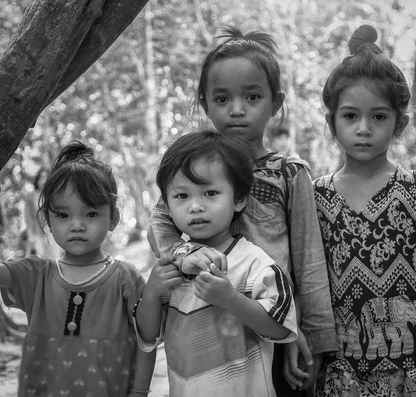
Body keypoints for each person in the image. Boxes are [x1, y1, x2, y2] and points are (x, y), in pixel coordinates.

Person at [147, 25, 337, 395]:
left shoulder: (289, 173)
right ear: (205, 104)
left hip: (273, 319)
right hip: (207, 322)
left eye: (252, 97)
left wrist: (312, 337)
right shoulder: (191, 169)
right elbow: (161, 225)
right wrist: (187, 254)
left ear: (275, 103)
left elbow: (309, 261)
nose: (237, 110)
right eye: (222, 99)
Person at [313, 25, 416, 396]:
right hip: (341, 370)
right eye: (350, 116)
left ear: (399, 123)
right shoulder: (315, 198)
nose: (363, 129)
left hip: (414, 367)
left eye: (378, 117)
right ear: (332, 122)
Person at [0, 140, 156, 397]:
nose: (77, 225)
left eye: (90, 214)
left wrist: (139, 392)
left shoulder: (126, 279)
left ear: (112, 218)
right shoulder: (36, 275)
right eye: (63, 215)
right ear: (48, 220)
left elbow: (146, 341)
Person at [134, 130, 299, 397]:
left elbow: (282, 328)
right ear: (166, 203)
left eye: (210, 193)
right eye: (182, 196)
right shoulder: (170, 267)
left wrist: (231, 300)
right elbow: (148, 335)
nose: (196, 206)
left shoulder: (254, 264)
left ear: (239, 199)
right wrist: (152, 292)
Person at [23, 166, 62, 259]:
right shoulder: (30, 196)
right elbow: (27, 218)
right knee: (37, 261)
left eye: (46, 177)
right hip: (36, 233)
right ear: (38, 179)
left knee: (54, 261)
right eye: (41, 177)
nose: (44, 180)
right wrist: (30, 235)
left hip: (52, 234)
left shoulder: (54, 197)